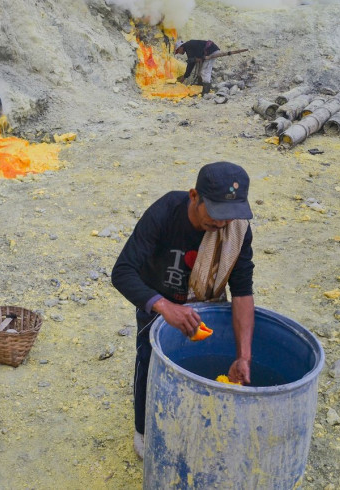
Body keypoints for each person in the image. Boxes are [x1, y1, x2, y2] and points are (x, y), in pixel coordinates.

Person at [111, 161, 256, 460]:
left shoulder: (236, 230)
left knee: (205, 368)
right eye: (215, 213)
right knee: (149, 363)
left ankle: (197, 422)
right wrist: (164, 307)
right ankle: (143, 428)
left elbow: (242, 291)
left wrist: (244, 356)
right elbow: (123, 271)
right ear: (194, 197)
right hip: (158, 302)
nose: (221, 225)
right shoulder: (165, 212)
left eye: (229, 217)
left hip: (207, 303)